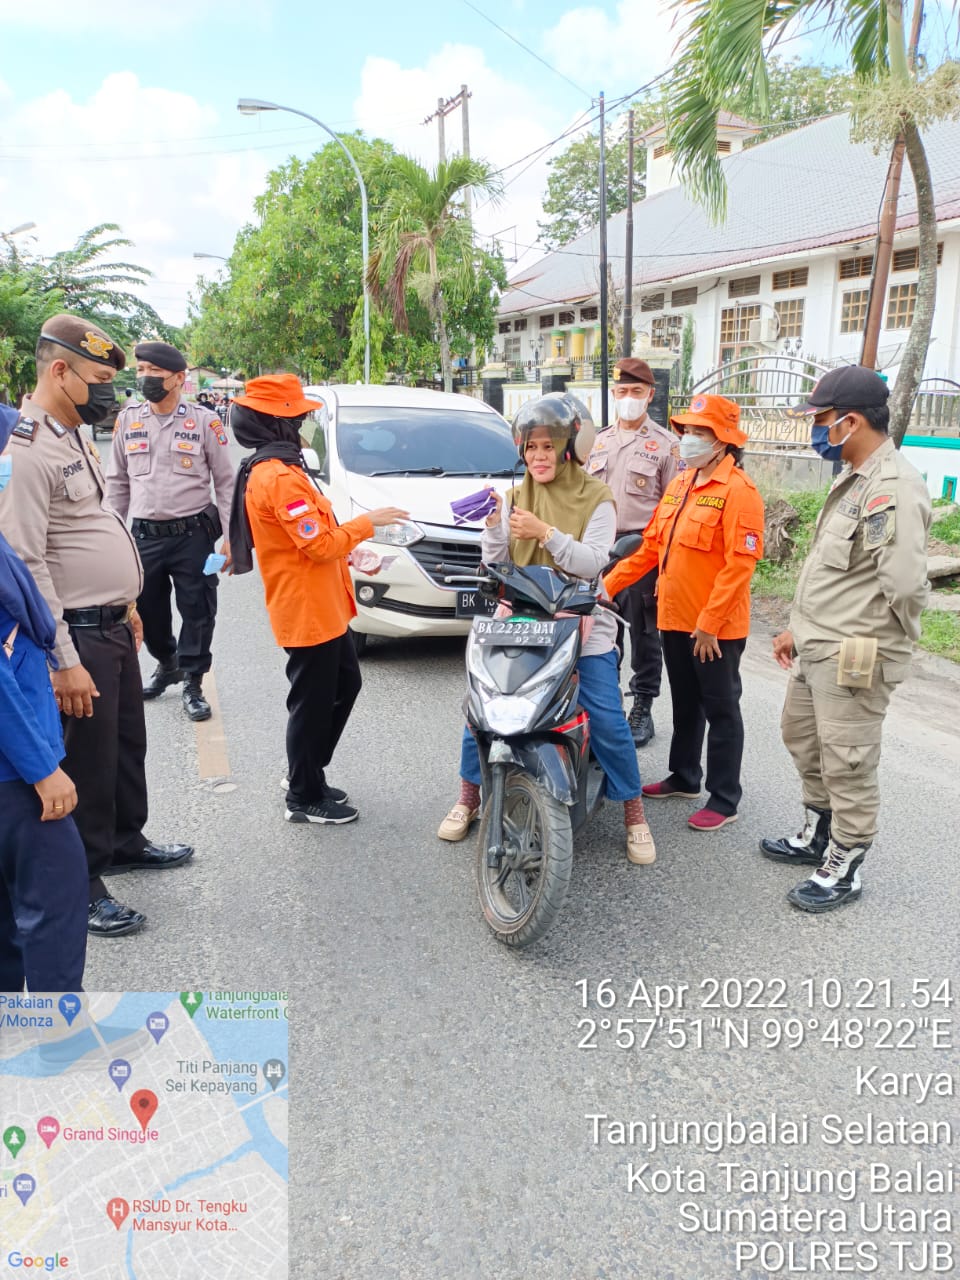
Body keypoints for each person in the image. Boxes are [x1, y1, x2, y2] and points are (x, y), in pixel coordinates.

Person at [0, 314, 194, 938]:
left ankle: (125, 841)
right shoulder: (27, 453)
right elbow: (28, 563)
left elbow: (94, 524)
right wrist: (63, 660)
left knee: (123, 748)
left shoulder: (74, 432)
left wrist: (129, 600)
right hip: (76, 634)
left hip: (111, 623)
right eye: (101, 379)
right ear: (59, 371)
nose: (112, 393)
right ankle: (82, 885)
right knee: (82, 760)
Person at [438, 392, 655, 864]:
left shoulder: (597, 497)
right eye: (531, 447)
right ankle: (469, 796)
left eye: (548, 446)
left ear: (571, 447)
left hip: (581, 621)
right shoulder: (515, 496)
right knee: (481, 708)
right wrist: (495, 525)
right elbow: (495, 563)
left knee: (609, 717)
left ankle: (633, 811)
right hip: (520, 620)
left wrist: (545, 534)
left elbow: (594, 561)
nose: (538, 456)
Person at [762, 366, 931, 912]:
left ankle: (846, 861)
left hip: (854, 654)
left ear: (851, 421)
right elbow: (832, 572)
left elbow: (905, 586)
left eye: (822, 421)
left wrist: (885, 645)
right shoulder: (853, 474)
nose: (817, 431)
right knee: (802, 737)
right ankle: (819, 831)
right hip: (817, 645)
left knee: (848, 758)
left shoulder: (892, 489)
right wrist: (798, 627)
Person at [228, 374, 409, 824]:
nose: (306, 424)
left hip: (323, 605)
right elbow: (319, 545)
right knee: (312, 701)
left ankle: (305, 771)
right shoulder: (278, 477)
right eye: (300, 417)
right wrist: (369, 524)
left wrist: (353, 547)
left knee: (344, 685)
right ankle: (303, 795)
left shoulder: (284, 468)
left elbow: (319, 539)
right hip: (306, 610)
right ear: (278, 423)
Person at [604, 393, 765, 832]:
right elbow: (651, 548)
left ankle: (725, 797)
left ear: (723, 441)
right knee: (686, 703)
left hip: (714, 628)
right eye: (687, 431)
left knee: (721, 709)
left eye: (699, 432)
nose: (689, 439)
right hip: (673, 618)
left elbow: (740, 566)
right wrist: (607, 586)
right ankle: (685, 776)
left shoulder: (739, 492)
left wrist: (710, 624)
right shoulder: (681, 484)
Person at [0, 404, 88, 990]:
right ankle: (60, 1051)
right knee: (52, 907)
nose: (10, 461)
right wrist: (42, 769)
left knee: (10, 918)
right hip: (14, 773)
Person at [106, 341, 235, 722]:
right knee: (147, 609)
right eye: (141, 370)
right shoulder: (128, 420)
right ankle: (168, 662)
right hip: (143, 536)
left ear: (179, 379)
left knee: (198, 608)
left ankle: (193, 680)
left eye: (154, 372)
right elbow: (116, 483)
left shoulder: (204, 421)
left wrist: (232, 537)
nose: (145, 378)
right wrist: (114, 538)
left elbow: (226, 483)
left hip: (193, 534)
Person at [585, 357, 679, 745]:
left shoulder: (667, 446)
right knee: (600, 630)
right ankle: (604, 703)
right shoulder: (597, 441)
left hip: (643, 549)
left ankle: (642, 705)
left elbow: (675, 508)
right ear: (613, 393)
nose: (628, 398)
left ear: (650, 395)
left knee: (643, 632)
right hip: (600, 551)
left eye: (636, 392)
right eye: (622, 392)